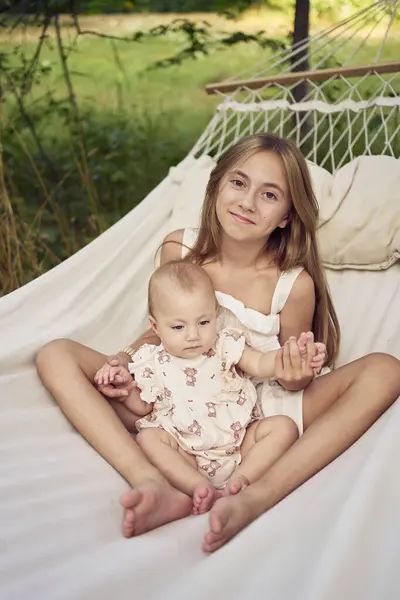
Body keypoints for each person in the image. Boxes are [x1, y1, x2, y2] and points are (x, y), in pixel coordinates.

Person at [35, 133, 400, 549]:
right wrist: (122, 361)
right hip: (177, 395)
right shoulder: (180, 249)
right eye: (238, 183)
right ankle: (151, 480)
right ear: (216, 187)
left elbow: (291, 374)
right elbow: (161, 330)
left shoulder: (292, 285)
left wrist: (296, 372)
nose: (247, 202)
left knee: (385, 370)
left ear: (285, 216)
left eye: (269, 194)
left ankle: (256, 496)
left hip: (257, 412)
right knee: (56, 354)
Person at [94, 260, 326, 515]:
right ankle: (196, 486)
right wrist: (125, 387)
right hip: (186, 453)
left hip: (240, 445)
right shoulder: (150, 361)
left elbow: (260, 363)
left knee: (283, 427)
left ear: (215, 315)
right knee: (149, 438)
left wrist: (292, 357)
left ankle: (242, 480)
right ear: (155, 326)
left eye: (203, 322)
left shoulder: (225, 344)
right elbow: (142, 406)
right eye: (179, 327)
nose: (193, 334)